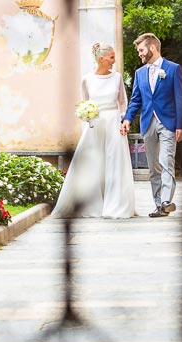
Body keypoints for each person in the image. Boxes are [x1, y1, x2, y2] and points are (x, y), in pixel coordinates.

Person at [52, 43, 136, 218]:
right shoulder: (87, 79)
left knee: (114, 163)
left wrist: (123, 120)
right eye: (111, 57)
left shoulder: (117, 77)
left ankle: (115, 206)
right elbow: (84, 103)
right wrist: (86, 115)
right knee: (93, 163)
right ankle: (92, 205)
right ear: (101, 59)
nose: (114, 60)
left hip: (114, 123)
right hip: (95, 125)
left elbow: (122, 103)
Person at [120, 33, 182, 218]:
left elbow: (181, 99)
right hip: (148, 122)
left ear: (152, 48)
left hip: (168, 123)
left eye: (141, 50)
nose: (139, 54)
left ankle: (166, 200)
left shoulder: (173, 69)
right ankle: (159, 205)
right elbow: (135, 100)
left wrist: (181, 125)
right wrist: (127, 119)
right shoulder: (139, 73)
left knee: (166, 162)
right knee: (153, 168)